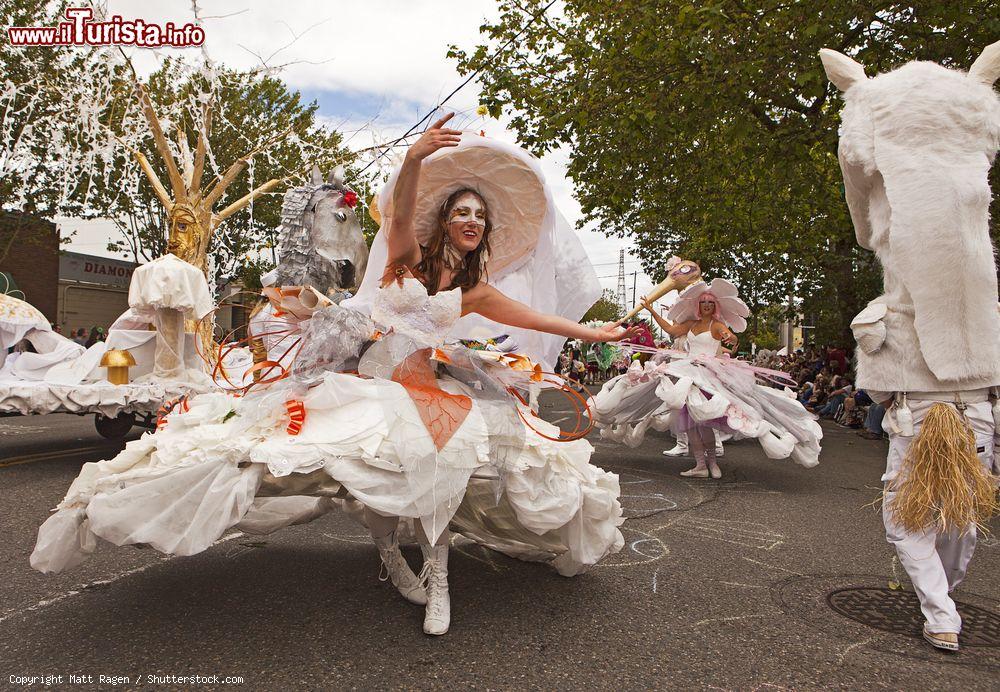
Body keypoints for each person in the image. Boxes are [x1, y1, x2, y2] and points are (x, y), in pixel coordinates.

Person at [31, 115, 636, 638]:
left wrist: (600, 333)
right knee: (312, 459)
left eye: (479, 215)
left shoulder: (477, 290)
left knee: (445, 466)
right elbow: (400, 210)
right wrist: (419, 157)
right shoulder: (403, 256)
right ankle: (393, 558)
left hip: (431, 389)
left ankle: (438, 574)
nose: (471, 221)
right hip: (372, 382)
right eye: (462, 212)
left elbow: (538, 318)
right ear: (447, 221)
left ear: (484, 228)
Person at [821, 44, 1000, 651]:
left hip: (919, 411)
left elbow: (861, 215)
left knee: (906, 517)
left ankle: (941, 608)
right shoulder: (984, 286)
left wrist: (860, 99)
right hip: (974, 405)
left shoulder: (890, 303)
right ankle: (944, 597)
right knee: (961, 514)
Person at [591, 276, 822, 478]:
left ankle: (711, 463)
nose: (707, 306)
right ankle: (702, 464)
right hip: (687, 372)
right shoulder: (691, 324)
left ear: (715, 306)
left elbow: (728, 335)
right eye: (703, 303)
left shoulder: (716, 325)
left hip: (707, 375)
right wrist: (651, 311)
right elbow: (672, 331)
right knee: (691, 424)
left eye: (711, 303)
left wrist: (730, 338)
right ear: (698, 306)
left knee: (704, 422)